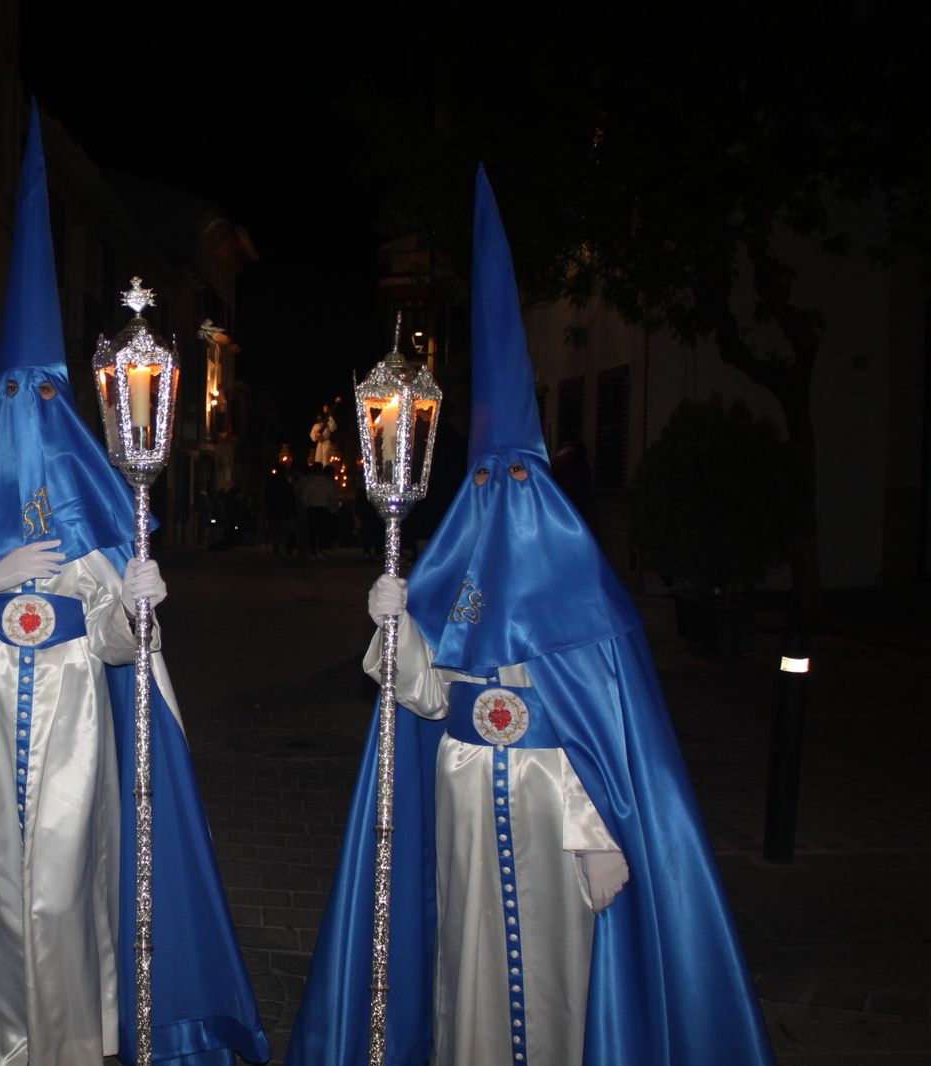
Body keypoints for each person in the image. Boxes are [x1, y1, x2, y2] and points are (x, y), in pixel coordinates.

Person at [286, 169, 773, 1066]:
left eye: (515, 480)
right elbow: (424, 702)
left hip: (555, 816)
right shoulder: (450, 574)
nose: (499, 499)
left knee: (555, 988)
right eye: (486, 481)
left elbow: (607, 734)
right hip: (465, 798)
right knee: (468, 971)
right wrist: (395, 628)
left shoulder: (583, 593)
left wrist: (597, 836)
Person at [0, 106, 268, 1066]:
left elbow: (124, 651)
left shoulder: (93, 502)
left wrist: (134, 600)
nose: (31, 420)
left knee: (73, 881)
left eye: (47, 397)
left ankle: (77, 1040)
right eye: (16, 397)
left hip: (77, 720)